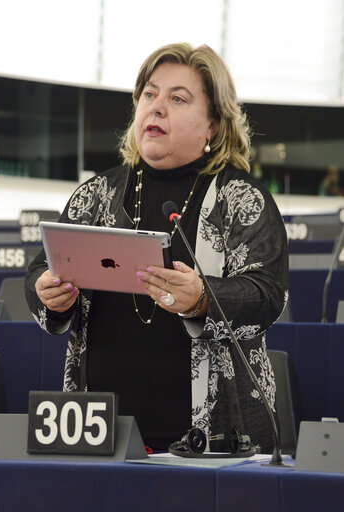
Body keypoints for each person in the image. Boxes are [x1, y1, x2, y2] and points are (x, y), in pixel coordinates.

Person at [25, 42, 289, 453]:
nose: (157, 107)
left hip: (210, 441)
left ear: (214, 125)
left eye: (177, 98)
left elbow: (266, 294)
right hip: (98, 435)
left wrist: (204, 297)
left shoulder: (241, 199)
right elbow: (41, 271)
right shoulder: (96, 195)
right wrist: (49, 295)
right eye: (149, 94)